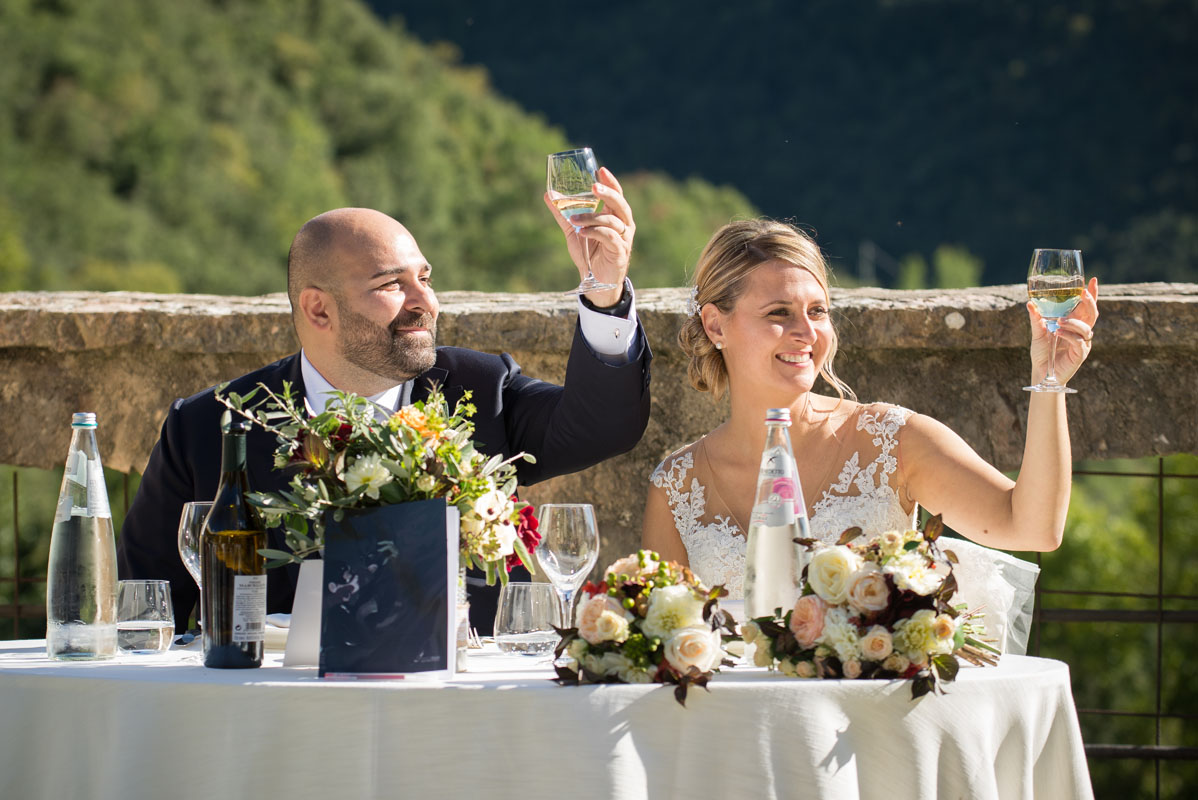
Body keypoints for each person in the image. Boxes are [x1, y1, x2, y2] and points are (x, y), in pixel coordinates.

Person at [118, 167, 652, 634]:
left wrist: (603, 294)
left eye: (424, 278)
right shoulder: (208, 426)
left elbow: (601, 426)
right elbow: (143, 605)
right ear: (319, 310)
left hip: (460, 704)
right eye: (390, 285)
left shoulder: (480, 389)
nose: (425, 302)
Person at [642, 219, 1097, 645]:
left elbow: (1033, 527)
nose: (806, 332)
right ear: (715, 324)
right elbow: (662, 642)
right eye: (779, 312)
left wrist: (1050, 380)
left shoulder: (894, 441)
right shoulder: (678, 486)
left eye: (817, 311)